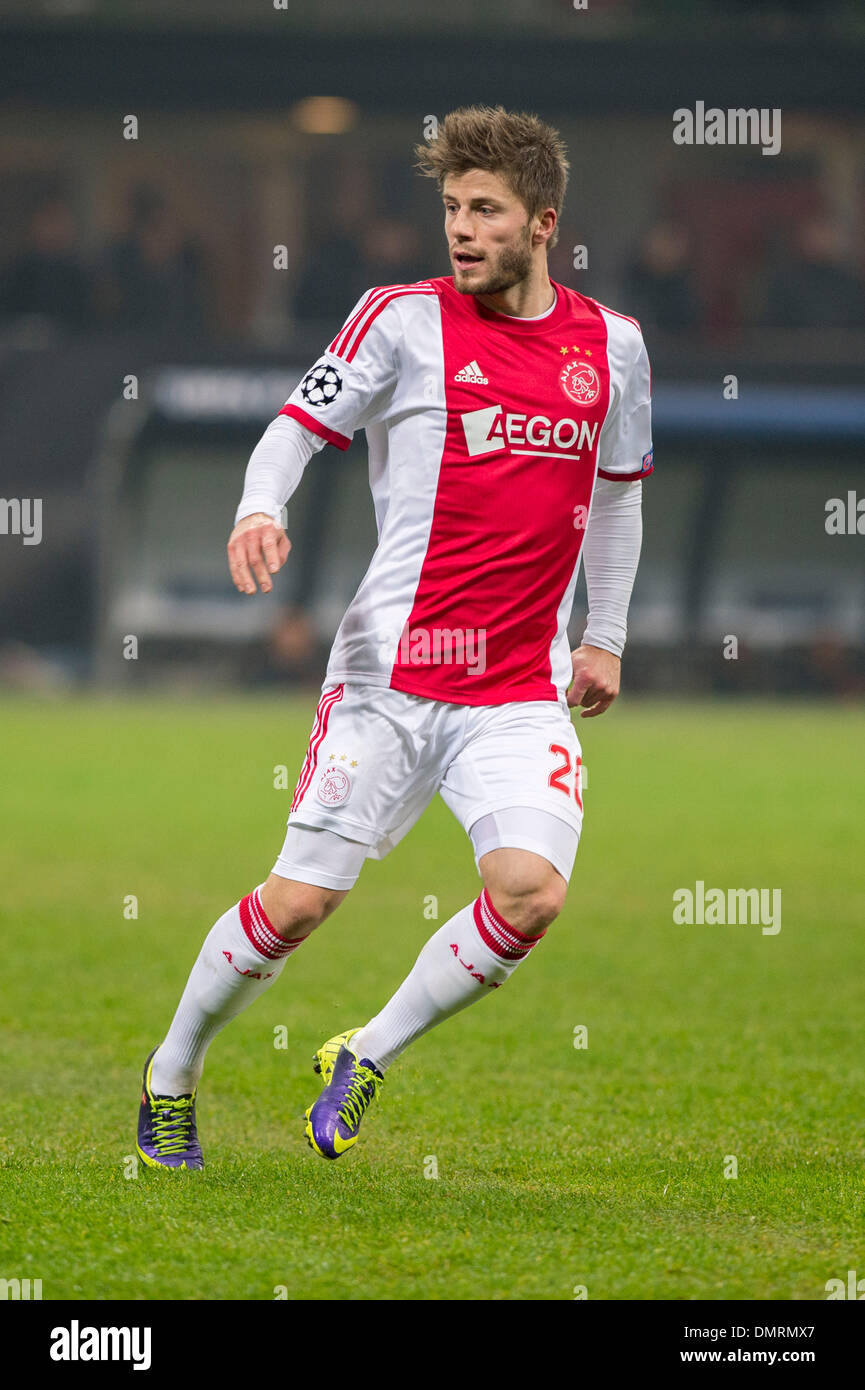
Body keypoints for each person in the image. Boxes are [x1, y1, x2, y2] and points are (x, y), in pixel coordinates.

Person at [136, 105, 653, 1169]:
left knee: (530, 892)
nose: (461, 229)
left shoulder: (613, 347)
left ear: (542, 222)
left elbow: (615, 497)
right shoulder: (400, 320)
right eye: (451, 209)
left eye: (485, 211)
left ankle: (363, 1053)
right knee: (299, 903)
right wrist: (256, 506)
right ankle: (173, 1069)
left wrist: (604, 636)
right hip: (390, 677)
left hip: (517, 687)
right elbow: (297, 423)